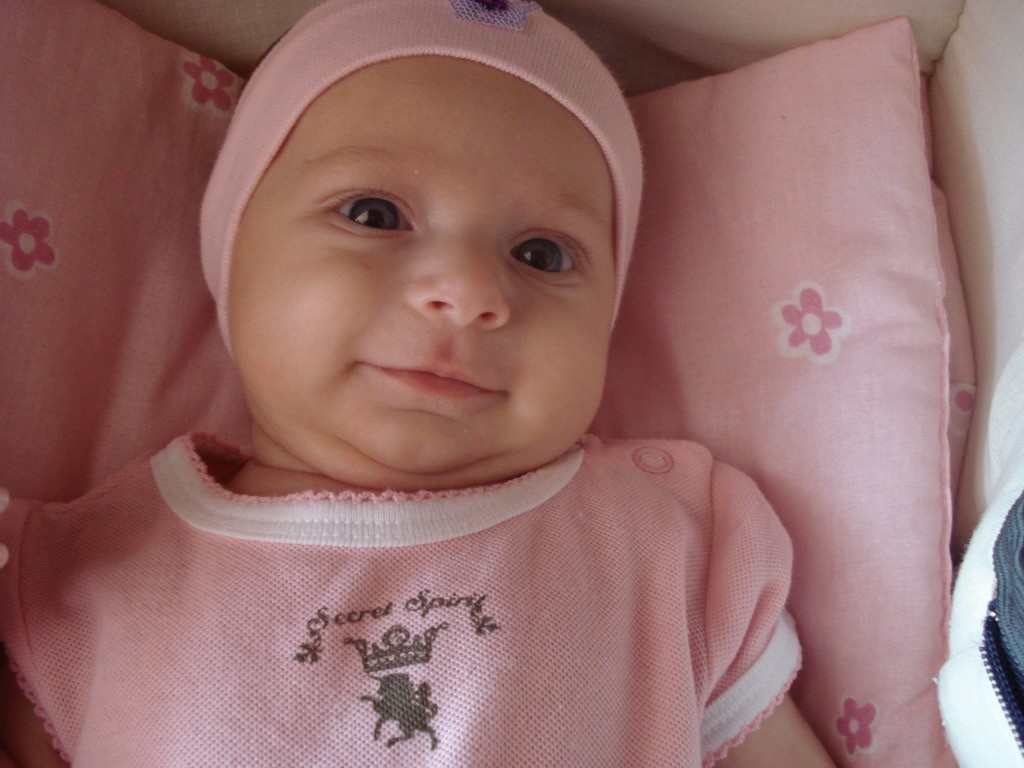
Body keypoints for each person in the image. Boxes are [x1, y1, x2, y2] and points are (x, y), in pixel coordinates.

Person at [0, 0, 835, 764]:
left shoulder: (667, 543)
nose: (467, 292)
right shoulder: (82, 580)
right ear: (232, 254)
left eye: (542, 255)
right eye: (374, 215)